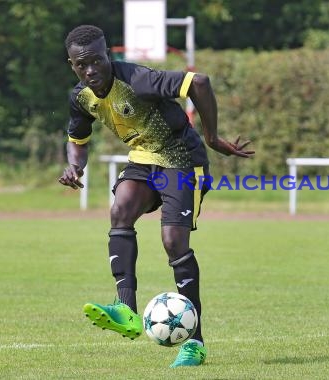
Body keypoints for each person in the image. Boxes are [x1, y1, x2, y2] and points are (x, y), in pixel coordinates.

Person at [58, 25, 254, 367]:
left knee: (173, 242)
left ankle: (194, 343)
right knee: (119, 211)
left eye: (96, 61)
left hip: (183, 160)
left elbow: (199, 82)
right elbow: (78, 140)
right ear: (72, 64)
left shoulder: (137, 80)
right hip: (143, 160)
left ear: (109, 56)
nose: (90, 70)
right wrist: (75, 167)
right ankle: (126, 309)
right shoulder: (80, 96)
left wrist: (211, 136)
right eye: (80, 64)